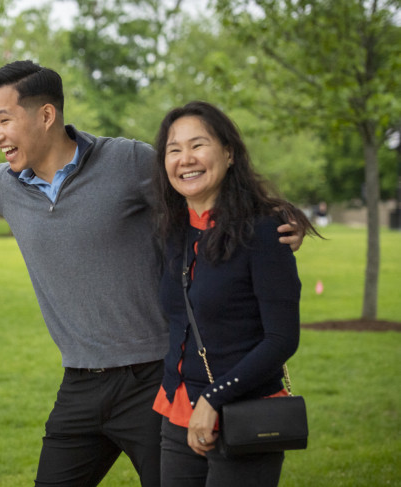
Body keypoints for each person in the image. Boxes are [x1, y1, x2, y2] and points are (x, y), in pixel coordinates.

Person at [0, 61, 303, 486]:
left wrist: (275, 221)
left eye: (3, 120)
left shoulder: (128, 160)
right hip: (80, 384)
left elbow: (199, 183)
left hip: (154, 377)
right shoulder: (4, 185)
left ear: (46, 115)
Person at [151, 101, 319, 486]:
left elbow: (281, 339)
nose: (185, 158)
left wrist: (214, 398)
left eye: (198, 145)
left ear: (228, 153)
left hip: (244, 414)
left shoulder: (264, 230)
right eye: (174, 149)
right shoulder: (173, 229)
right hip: (178, 414)